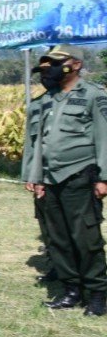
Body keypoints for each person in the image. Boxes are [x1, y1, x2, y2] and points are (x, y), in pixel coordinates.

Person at [22, 47, 107, 316]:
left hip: (80, 176)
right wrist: (35, 177)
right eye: (46, 66)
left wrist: (104, 177)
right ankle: (71, 289)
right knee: (58, 239)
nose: (50, 70)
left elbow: (104, 137)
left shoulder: (93, 95)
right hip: (49, 179)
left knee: (85, 238)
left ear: (76, 64)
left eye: (56, 64)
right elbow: (37, 143)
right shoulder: (45, 101)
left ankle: (97, 293)